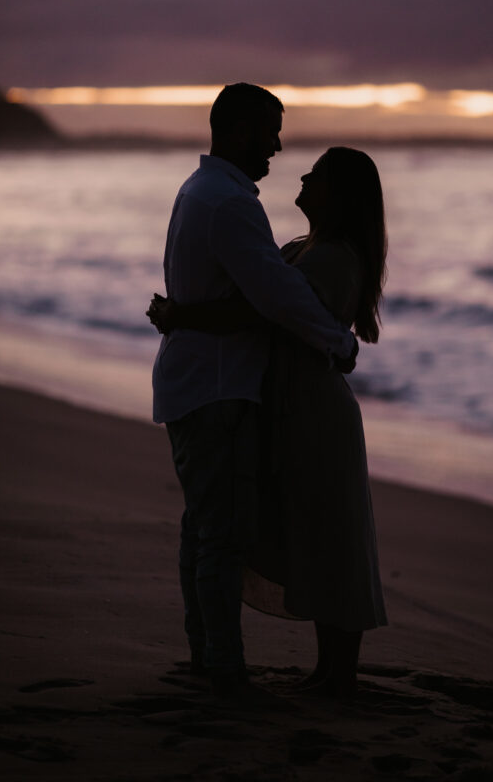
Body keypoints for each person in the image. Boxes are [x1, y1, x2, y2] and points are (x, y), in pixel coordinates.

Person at [151, 146, 388, 697]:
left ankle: (339, 673)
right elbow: (258, 297)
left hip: (317, 412)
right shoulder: (303, 248)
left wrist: (181, 314)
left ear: (341, 194)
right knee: (315, 532)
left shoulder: (334, 258)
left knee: (334, 537)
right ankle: (329, 671)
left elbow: (265, 310)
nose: (303, 173)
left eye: (319, 174)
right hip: (293, 405)